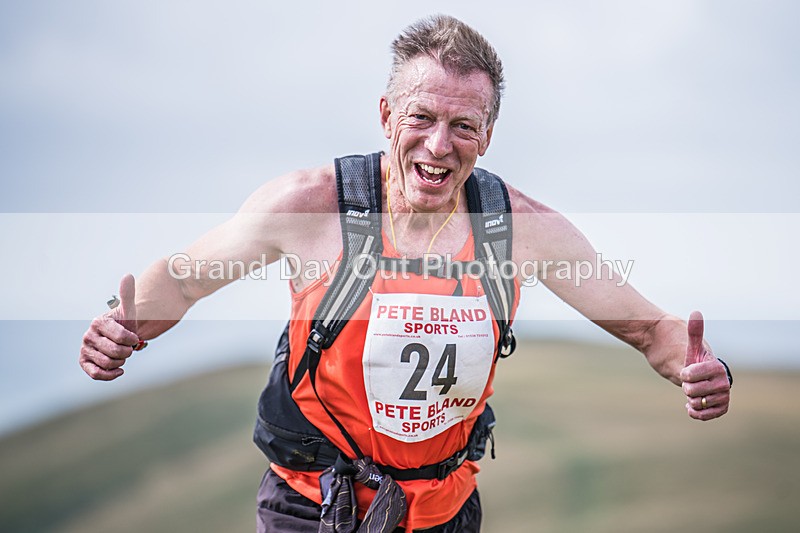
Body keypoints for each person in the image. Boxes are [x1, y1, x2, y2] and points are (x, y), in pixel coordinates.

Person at [79, 15, 732, 533]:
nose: (439, 145)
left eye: (463, 125)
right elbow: (187, 277)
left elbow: (651, 328)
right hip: (310, 508)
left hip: (445, 514)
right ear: (387, 115)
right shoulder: (310, 206)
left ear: (489, 134)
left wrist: (698, 366)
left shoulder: (522, 229)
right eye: (421, 117)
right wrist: (126, 321)